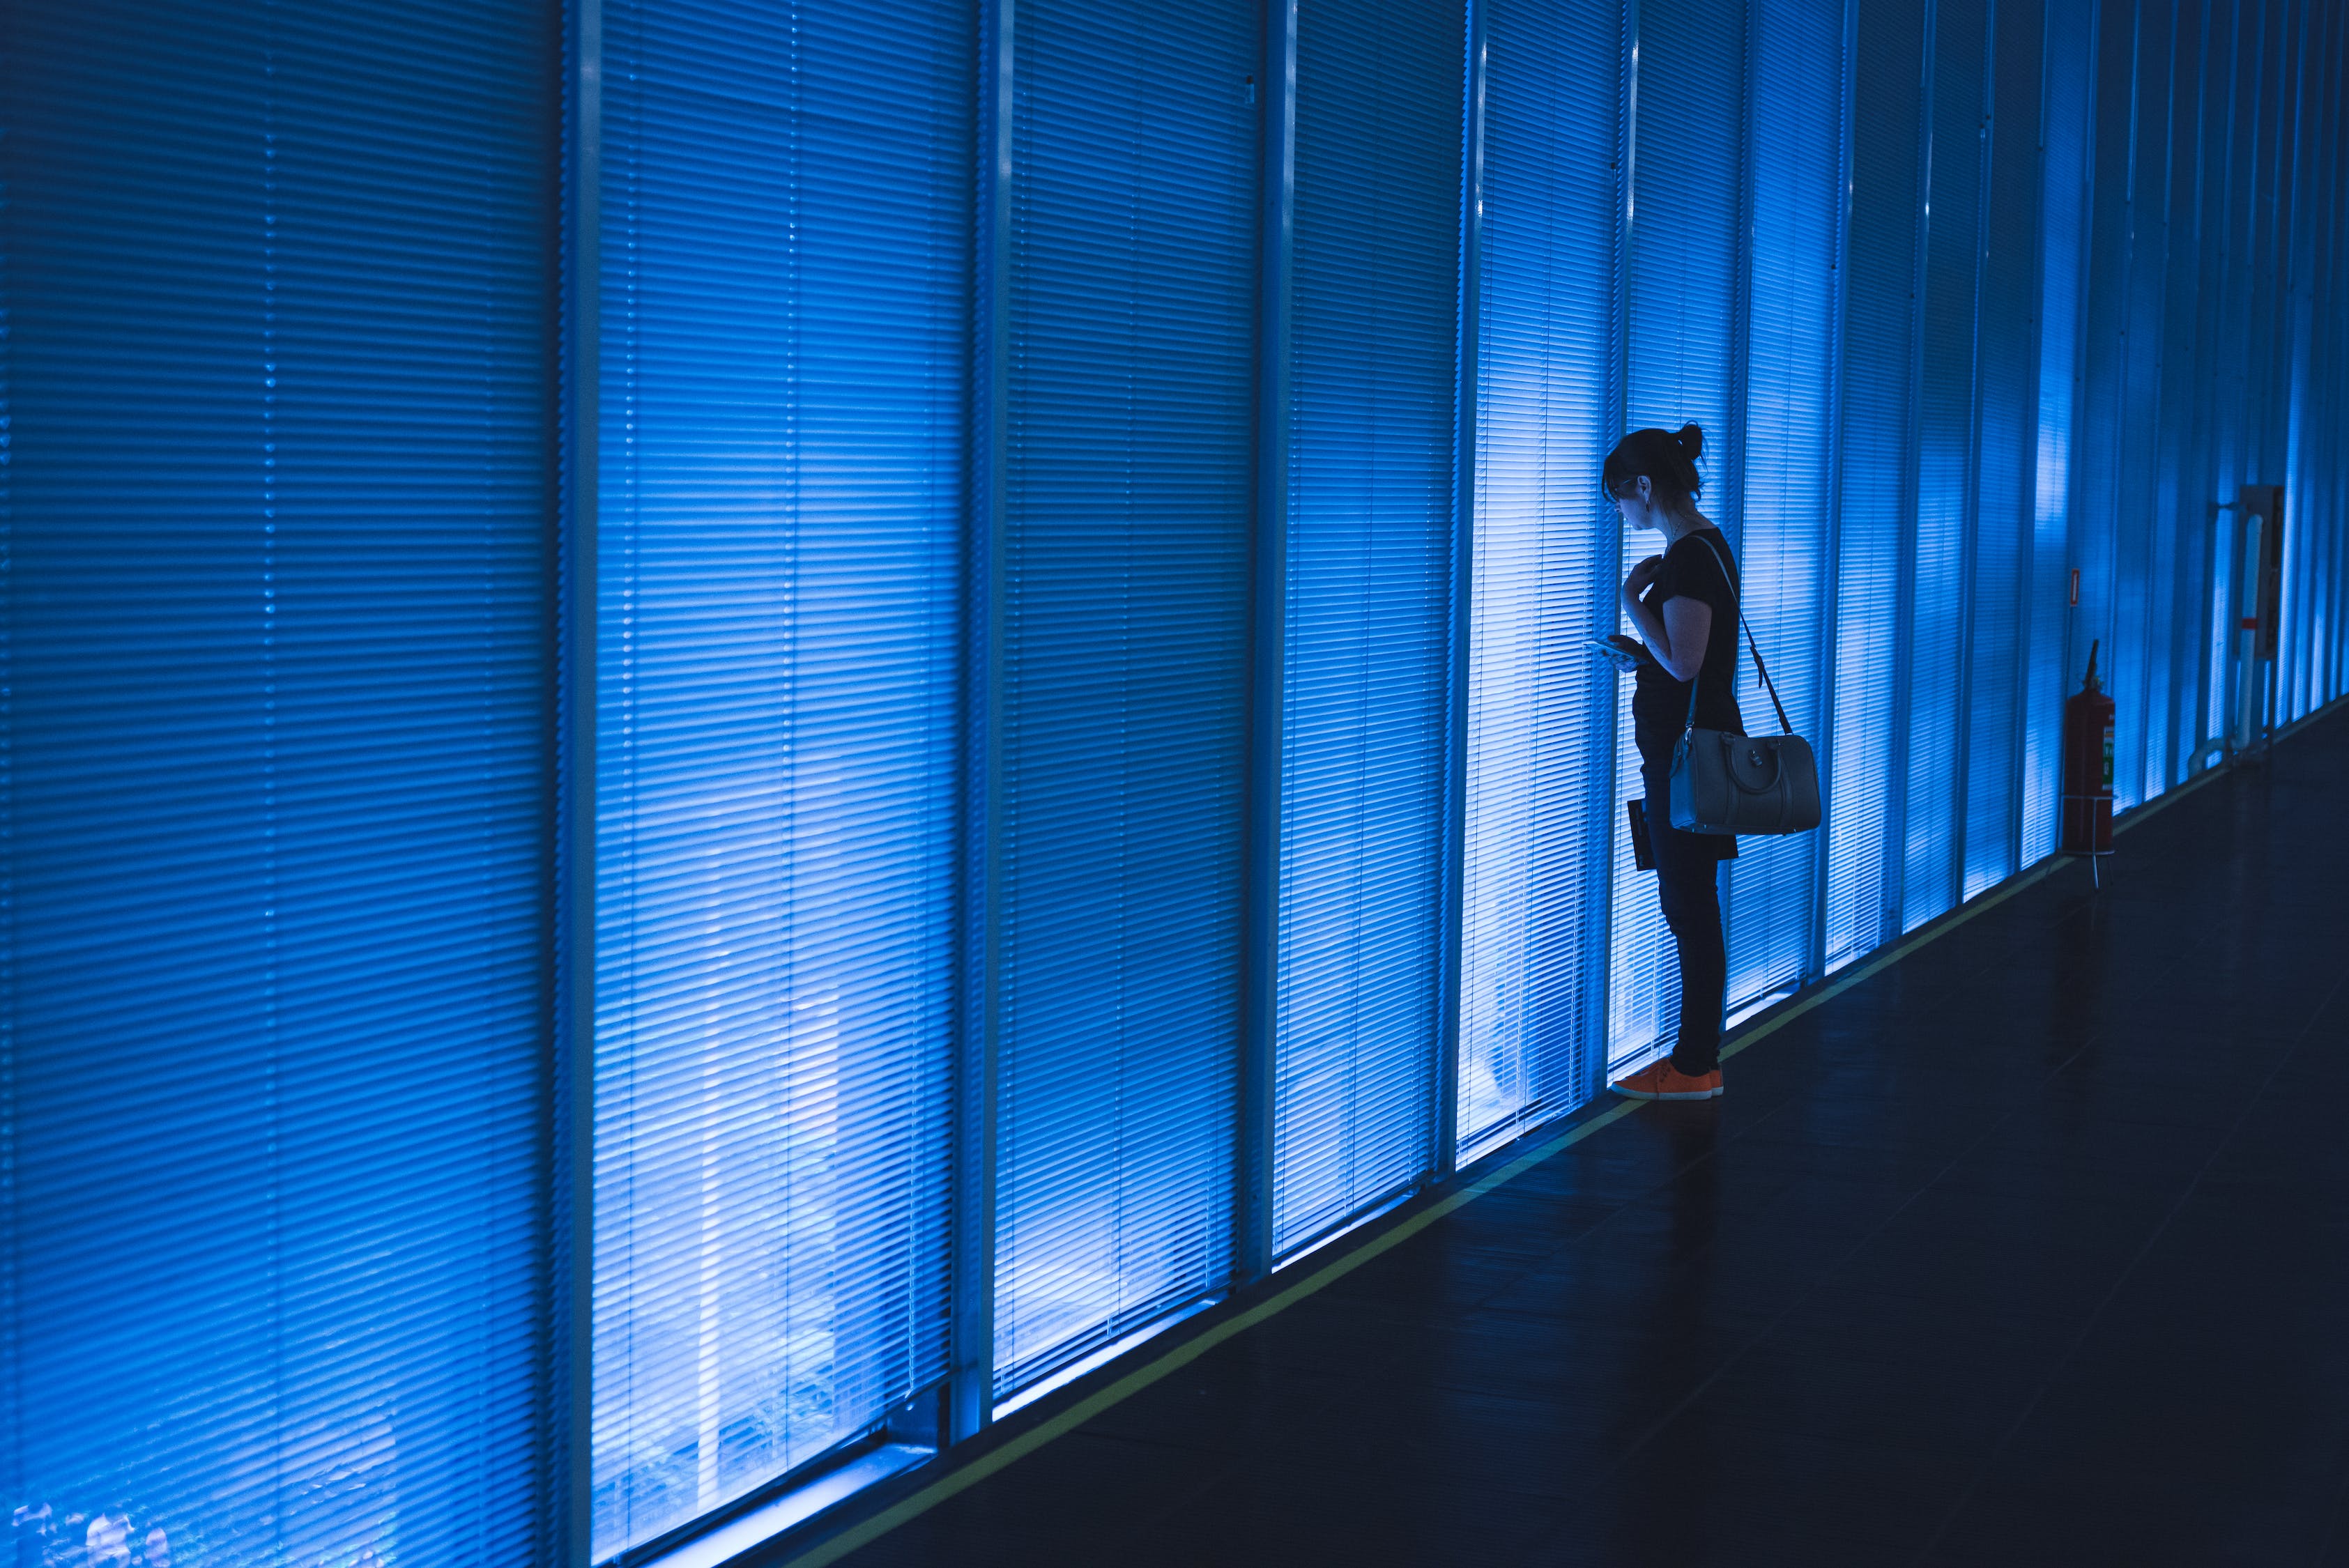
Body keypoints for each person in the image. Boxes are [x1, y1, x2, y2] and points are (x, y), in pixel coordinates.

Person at [1605, 423, 1740, 1101]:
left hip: (1685, 759)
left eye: (1619, 500)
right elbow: (1686, 661)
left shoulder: (1688, 556)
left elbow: (1686, 662)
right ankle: (1695, 1060)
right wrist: (1639, 654)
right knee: (1690, 900)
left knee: (1687, 904)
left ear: (1644, 487)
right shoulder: (1701, 548)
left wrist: (1631, 601)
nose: (1620, 515)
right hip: (1688, 751)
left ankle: (1694, 1067)